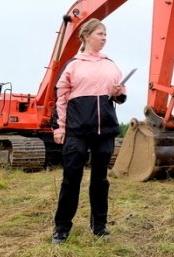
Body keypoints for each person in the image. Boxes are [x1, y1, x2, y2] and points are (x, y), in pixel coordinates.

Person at [51, 18, 127, 244]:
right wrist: (59, 127)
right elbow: (61, 99)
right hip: (76, 131)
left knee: (100, 180)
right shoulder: (73, 64)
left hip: (105, 131)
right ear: (86, 36)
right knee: (71, 179)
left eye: (105, 34)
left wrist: (118, 93)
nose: (104, 38)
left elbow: (121, 97)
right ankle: (62, 228)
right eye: (100, 34)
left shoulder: (111, 65)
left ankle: (100, 226)